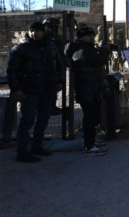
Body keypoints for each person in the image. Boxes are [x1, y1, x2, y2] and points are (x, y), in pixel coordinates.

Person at [7, 21, 63, 163]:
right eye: (32, 31)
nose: (34, 33)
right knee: (27, 120)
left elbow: (59, 66)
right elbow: (12, 70)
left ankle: (37, 146)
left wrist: (60, 82)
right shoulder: (21, 48)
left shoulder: (50, 47)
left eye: (37, 31)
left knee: (43, 119)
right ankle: (22, 152)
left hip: (47, 90)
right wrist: (16, 89)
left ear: (43, 32)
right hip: (29, 91)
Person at [65, 26, 110, 156]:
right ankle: (89, 146)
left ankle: (91, 142)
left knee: (93, 116)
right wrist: (105, 51)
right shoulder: (82, 51)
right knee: (90, 118)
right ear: (81, 37)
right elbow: (99, 61)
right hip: (87, 89)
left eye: (92, 35)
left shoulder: (84, 49)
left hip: (91, 88)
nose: (91, 38)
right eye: (88, 36)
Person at [42, 17, 65, 116]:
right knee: (50, 88)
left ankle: (53, 106)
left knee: (54, 86)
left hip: (56, 62)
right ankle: (49, 107)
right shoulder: (47, 34)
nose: (56, 27)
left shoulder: (53, 34)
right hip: (49, 64)